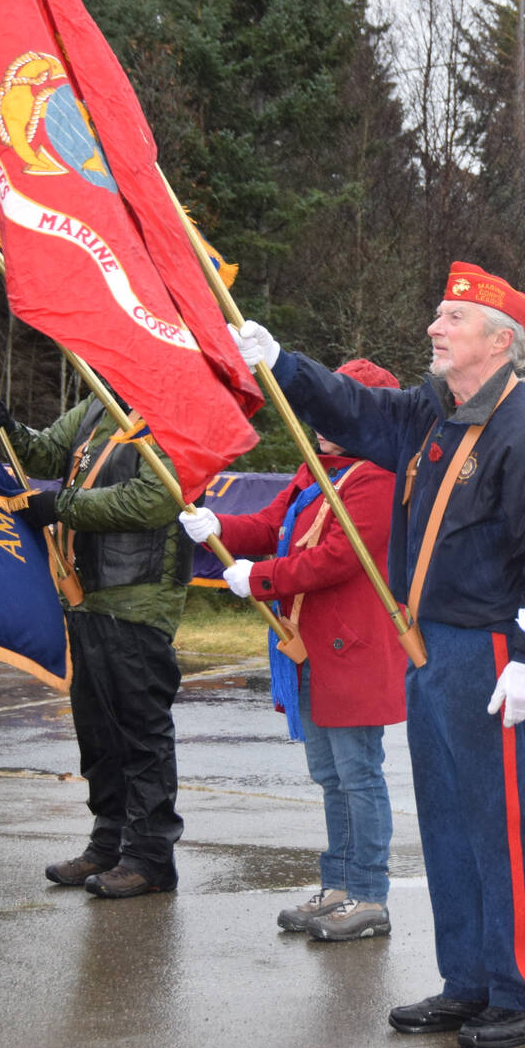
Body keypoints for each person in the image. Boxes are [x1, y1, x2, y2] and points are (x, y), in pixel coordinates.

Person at [234, 261, 525, 1048]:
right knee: (450, 823)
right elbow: (353, 410)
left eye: (451, 318)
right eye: (438, 315)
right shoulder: (435, 412)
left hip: (491, 650)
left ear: (499, 340)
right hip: (429, 647)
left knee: (496, 826)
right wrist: (282, 363)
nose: (434, 328)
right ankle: (469, 983)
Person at [177, 359, 407, 944]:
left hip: (352, 649)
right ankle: (337, 885)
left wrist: (259, 579)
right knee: (330, 775)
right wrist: (216, 528)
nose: (322, 422)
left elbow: (335, 559)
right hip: (309, 649)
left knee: (358, 774)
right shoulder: (316, 472)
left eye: (337, 411)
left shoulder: (379, 478)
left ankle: (369, 895)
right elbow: (267, 524)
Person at [0, 388, 192, 898]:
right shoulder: (98, 402)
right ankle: (109, 844)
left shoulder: (174, 404)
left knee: (140, 732)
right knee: (99, 733)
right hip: (82, 587)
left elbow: (153, 497)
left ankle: (151, 856)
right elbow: (48, 453)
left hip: (138, 594)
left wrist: (58, 505)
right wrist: (6, 428)